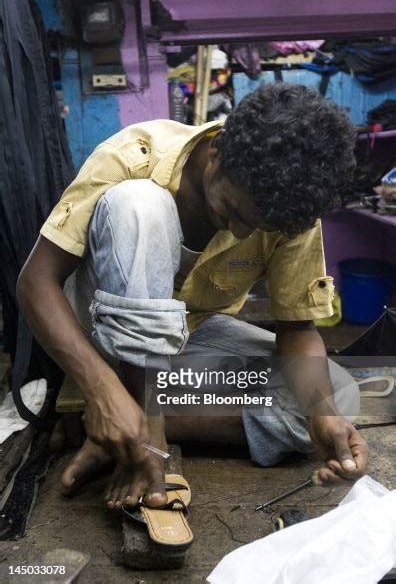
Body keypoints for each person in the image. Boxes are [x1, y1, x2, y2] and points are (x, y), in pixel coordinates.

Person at [17, 83, 368, 512]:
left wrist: (322, 414)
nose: (240, 233)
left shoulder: (290, 209)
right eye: (232, 213)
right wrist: (100, 388)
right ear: (217, 151)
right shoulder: (135, 157)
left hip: (189, 339)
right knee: (140, 205)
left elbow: (297, 330)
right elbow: (35, 282)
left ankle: (116, 426)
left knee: (338, 396)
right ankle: (140, 425)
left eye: (257, 228)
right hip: (99, 335)